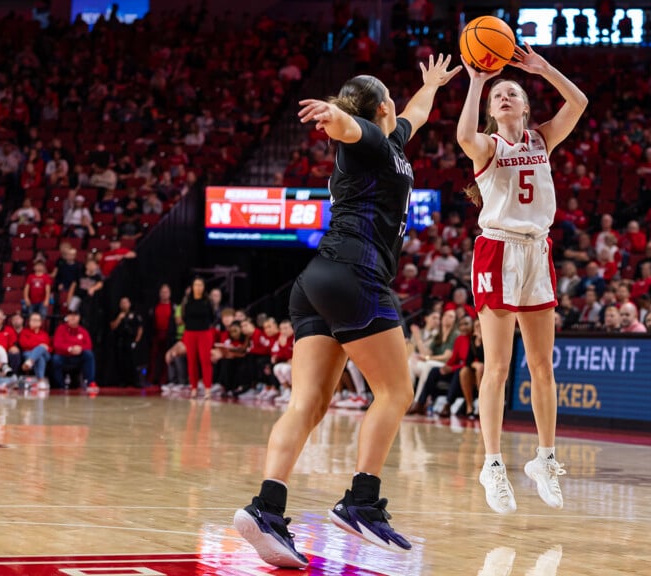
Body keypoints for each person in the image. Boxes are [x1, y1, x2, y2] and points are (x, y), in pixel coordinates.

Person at [233, 56, 462, 568]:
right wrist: (332, 114)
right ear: (382, 106)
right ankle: (361, 499)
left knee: (308, 405)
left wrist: (429, 86)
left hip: (316, 281)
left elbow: (416, 116)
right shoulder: (371, 142)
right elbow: (352, 128)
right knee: (397, 392)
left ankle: (266, 508)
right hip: (355, 277)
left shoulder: (394, 139)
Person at [457, 43, 587, 514]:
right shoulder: (487, 146)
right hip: (497, 250)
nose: (505, 97)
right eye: (499, 96)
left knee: (542, 367)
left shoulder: (541, 139)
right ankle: (492, 464)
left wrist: (542, 67)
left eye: (512, 92)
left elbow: (579, 104)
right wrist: (475, 82)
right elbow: (463, 135)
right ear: (492, 111)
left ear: (527, 106)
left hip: (538, 251)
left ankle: (545, 459)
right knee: (497, 368)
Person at [181, 278, 216, 399]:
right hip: (190, 333)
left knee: (205, 360)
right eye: (196, 285)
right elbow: (184, 317)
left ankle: (207, 389)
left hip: (204, 333)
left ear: (204, 287)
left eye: (200, 285)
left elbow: (212, 317)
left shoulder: (207, 301)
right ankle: (194, 388)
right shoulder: (187, 301)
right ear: (192, 286)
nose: (198, 287)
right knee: (191, 361)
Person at [52, 311, 96, 391]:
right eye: (71, 315)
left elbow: (89, 345)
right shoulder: (61, 329)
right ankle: (60, 385)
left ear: (79, 318)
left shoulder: (83, 331)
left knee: (89, 354)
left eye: (75, 315)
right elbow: (57, 344)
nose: (73, 317)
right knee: (56, 359)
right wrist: (70, 349)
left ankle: (90, 383)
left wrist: (80, 348)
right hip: (64, 356)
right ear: (67, 317)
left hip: (78, 356)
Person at [110, 297, 144, 387]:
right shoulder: (117, 314)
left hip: (131, 341)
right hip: (120, 341)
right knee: (121, 362)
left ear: (129, 304)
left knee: (133, 362)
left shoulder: (135, 314)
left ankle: (136, 381)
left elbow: (140, 328)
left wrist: (136, 341)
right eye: (122, 302)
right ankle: (122, 382)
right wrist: (119, 318)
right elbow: (112, 327)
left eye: (126, 302)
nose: (124, 304)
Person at [19, 313, 52, 383]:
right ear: (29, 321)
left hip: (45, 354)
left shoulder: (44, 334)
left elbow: (50, 347)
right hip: (28, 353)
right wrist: (40, 346)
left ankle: (29, 362)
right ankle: (41, 379)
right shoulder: (24, 332)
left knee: (41, 350)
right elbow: (24, 344)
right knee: (40, 358)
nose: (35, 322)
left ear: (40, 322)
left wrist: (43, 348)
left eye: (37, 320)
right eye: (33, 320)